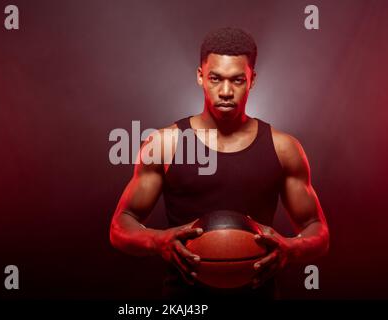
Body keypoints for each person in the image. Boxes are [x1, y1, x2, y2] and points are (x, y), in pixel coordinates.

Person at [109, 27, 329, 300]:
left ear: (252, 80)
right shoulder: (165, 144)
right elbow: (120, 225)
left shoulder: (284, 148)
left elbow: (317, 229)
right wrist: (158, 240)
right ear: (200, 76)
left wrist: (290, 248)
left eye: (237, 80)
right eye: (215, 78)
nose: (225, 91)